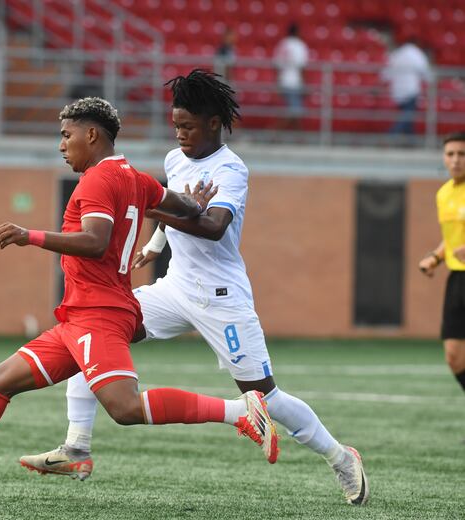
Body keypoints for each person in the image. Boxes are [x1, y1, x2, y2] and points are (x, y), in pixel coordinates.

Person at [0, 97, 280, 482]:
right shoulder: (133, 177)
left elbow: (95, 241)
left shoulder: (97, 181)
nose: (61, 145)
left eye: (66, 135)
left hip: (100, 313)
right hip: (81, 313)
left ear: (91, 135)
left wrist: (29, 235)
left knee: (123, 408)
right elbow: (174, 202)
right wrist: (195, 206)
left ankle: (239, 411)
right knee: (0, 379)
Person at [18, 70, 369, 506]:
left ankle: (341, 457)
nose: (180, 134)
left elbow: (213, 227)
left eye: (187, 126)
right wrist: (153, 242)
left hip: (221, 298)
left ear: (214, 125)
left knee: (265, 397)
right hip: (174, 288)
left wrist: (165, 211)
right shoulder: (174, 160)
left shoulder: (231, 170)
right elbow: (168, 205)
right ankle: (76, 446)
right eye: (176, 125)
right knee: (91, 332)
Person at [418, 132, 465, 401]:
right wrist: (435, 258)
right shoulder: (444, 194)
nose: (456, 160)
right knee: (455, 358)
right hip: (457, 279)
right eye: (451, 154)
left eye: (462, 154)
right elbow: (451, 241)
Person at [381, 37, 432, 136]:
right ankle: (391, 136)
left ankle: (411, 142)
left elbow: (386, 74)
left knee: (408, 118)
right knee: (407, 117)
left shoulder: (397, 54)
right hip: (410, 91)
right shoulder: (416, 54)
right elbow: (426, 74)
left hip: (397, 92)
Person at [273, 23, 308, 130]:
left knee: (294, 112)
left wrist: (277, 83)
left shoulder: (282, 44)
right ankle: (273, 133)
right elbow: (301, 66)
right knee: (295, 112)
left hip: (283, 80)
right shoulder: (299, 45)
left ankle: (299, 137)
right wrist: (304, 84)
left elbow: (276, 65)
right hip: (294, 82)